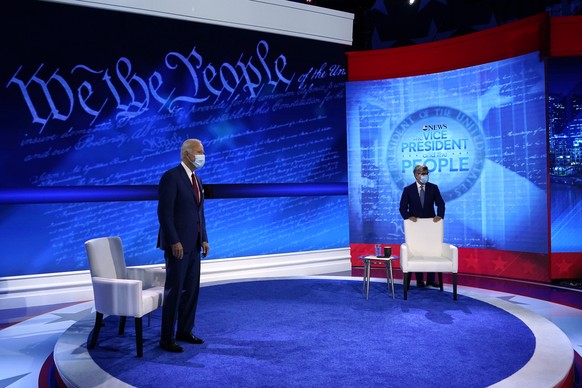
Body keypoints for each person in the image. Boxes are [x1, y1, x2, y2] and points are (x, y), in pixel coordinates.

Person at [157, 138, 210, 353]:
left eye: (202, 151)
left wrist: (204, 238)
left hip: (194, 244)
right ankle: (166, 339)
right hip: (177, 245)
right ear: (186, 154)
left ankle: (185, 331)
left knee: (191, 291)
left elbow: (200, 213)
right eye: (199, 151)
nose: (202, 155)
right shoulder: (171, 177)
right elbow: (164, 213)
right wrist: (174, 241)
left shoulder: (197, 179)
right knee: (175, 291)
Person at [399, 164, 445, 288]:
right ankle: (419, 280)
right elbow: (402, 207)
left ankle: (430, 280)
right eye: (422, 173)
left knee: (430, 250)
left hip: (431, 225)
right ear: (416, 175)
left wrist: (440, 215)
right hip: (416, 226)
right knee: (417, 249)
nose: (425, 176)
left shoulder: (433, 188)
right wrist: (408, 217)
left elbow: (440, 204)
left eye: (426, 173)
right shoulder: (408, 190)